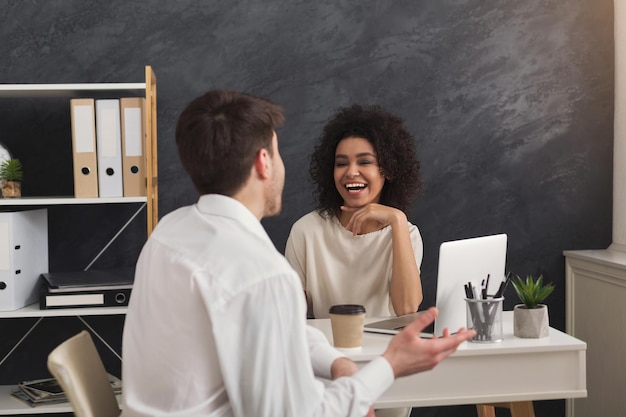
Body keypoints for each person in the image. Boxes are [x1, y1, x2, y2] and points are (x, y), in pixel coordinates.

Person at [120, 90, 474, 417]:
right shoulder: (264, 276)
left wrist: (335, 363)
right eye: (277, 152)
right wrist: (389, 367)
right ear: (264, 163)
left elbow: (276, 326)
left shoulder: (168, 232)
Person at [285, 104, 424, 320]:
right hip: (327, 351)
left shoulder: (406, 233)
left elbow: (406, 309)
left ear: (386, 169)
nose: (351, 172)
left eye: (364, 162)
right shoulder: (306, 231)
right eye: (341, 163)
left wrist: (397, 219)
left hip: (386, 351)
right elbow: (290, 315)